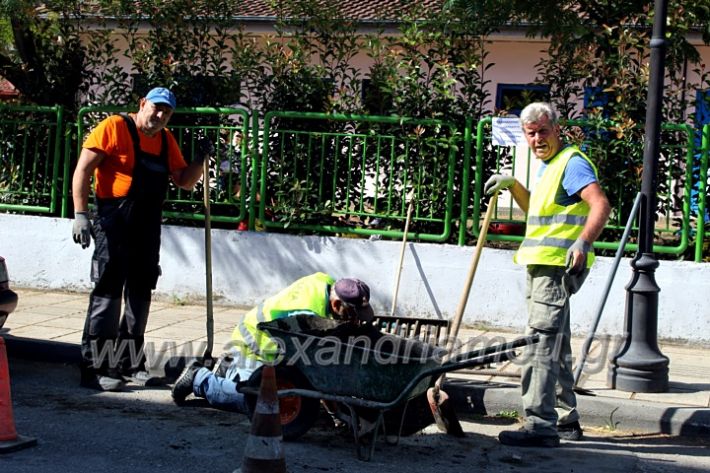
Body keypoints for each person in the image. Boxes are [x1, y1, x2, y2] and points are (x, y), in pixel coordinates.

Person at [484, 102, 610, 447]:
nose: (537, 138)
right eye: (531, 133)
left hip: (555, 268)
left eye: (543, 130)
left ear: (557, 129)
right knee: (556, 344)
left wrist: (583, 242)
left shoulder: (571, 163)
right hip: (545, 266)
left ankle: (539, 424)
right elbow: (535, 213)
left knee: (538, 345)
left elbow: (600, 204)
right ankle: (565, 419)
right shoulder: (550, 167)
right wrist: (513, 185)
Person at [71, 87, 206, 391]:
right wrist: (81, 214)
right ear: (143, 103)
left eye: (167, 112)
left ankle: (129, 364)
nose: (160, 116)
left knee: (139, 295)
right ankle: (96, 368)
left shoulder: (165, 139)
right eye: (156, 108)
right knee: (108, 295)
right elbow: (82, 170)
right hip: (113, 222)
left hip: (147, 227)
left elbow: (184, 181)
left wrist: (199, 160)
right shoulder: (114, 127)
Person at [171, 272, 375, 412]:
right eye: (352, 314)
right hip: (253, 347)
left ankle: (229, 369)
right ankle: (200, 379)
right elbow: (312, 370)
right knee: (265, 405)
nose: (355, 321)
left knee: (293, 396)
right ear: (337, 303)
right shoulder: (307, 316)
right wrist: (335, 411)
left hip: (270, 349)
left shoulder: (326, 284)